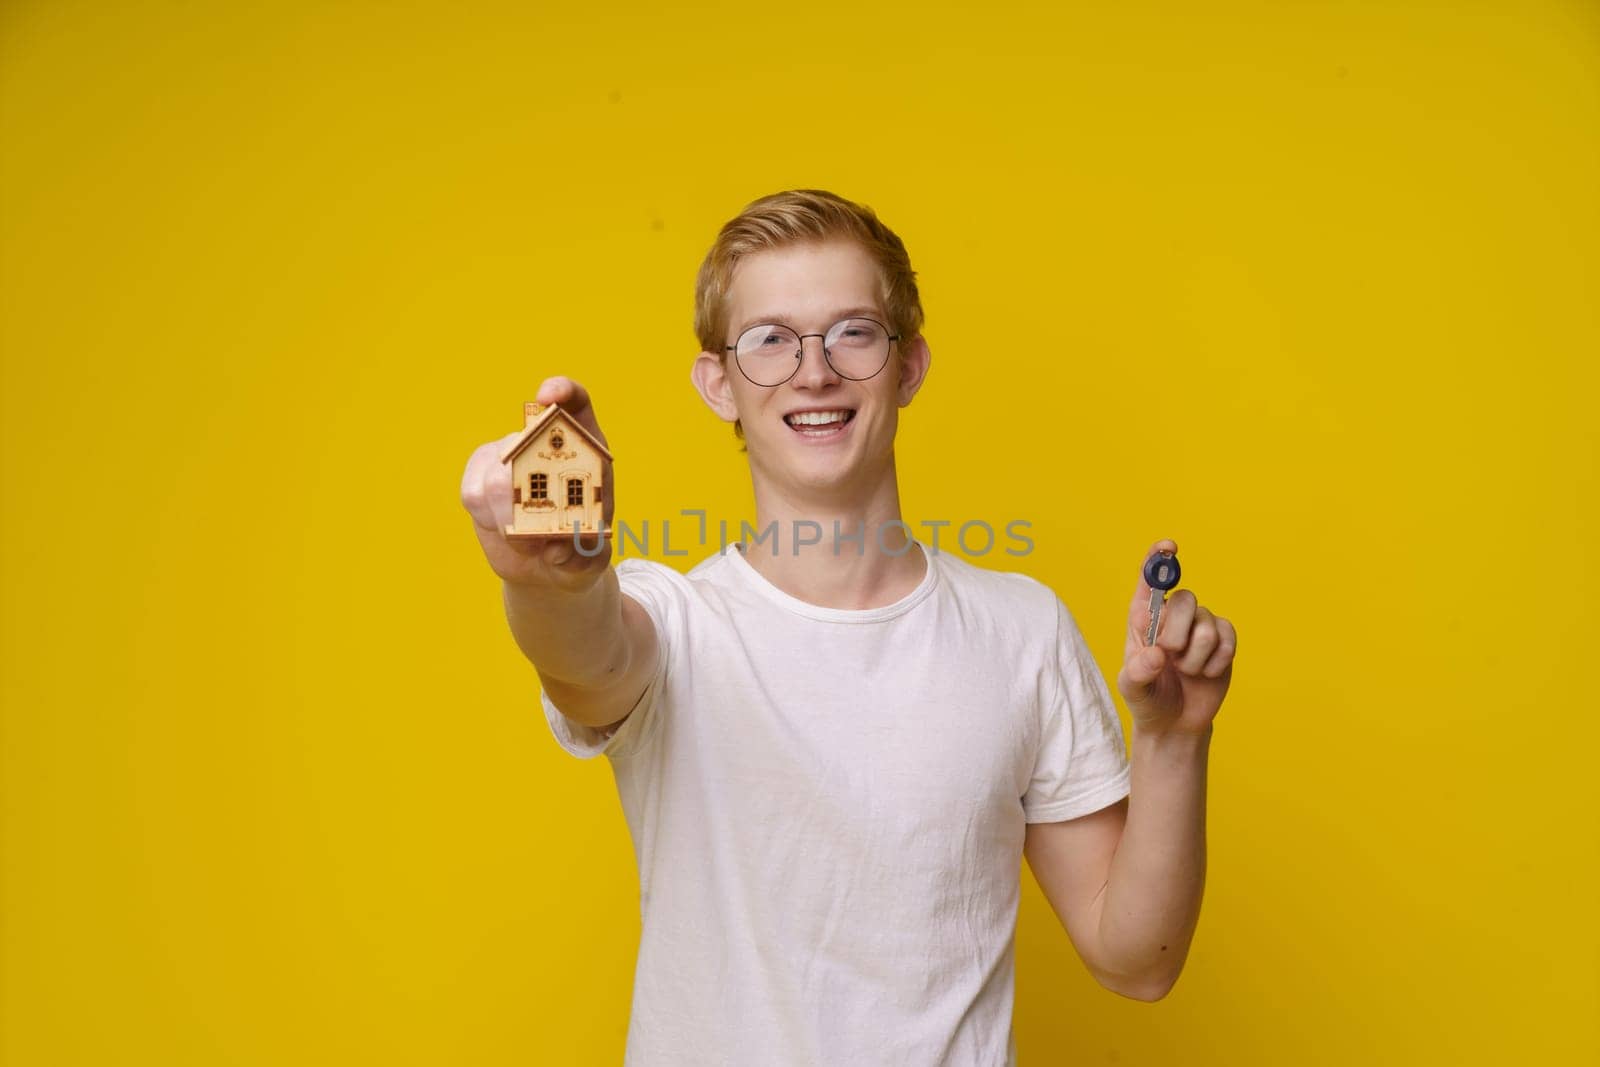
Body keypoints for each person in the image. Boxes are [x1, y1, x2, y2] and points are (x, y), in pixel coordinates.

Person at [459, 189, 1237, 1066]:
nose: (814, 371)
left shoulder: (1022, 630)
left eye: (853, 333)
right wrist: (554, 573)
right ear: (718, 384)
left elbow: (1137, 960)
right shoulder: (674, 626)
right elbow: (586, 653)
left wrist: (1174, 741)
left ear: (908, 367)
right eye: (770, 340)